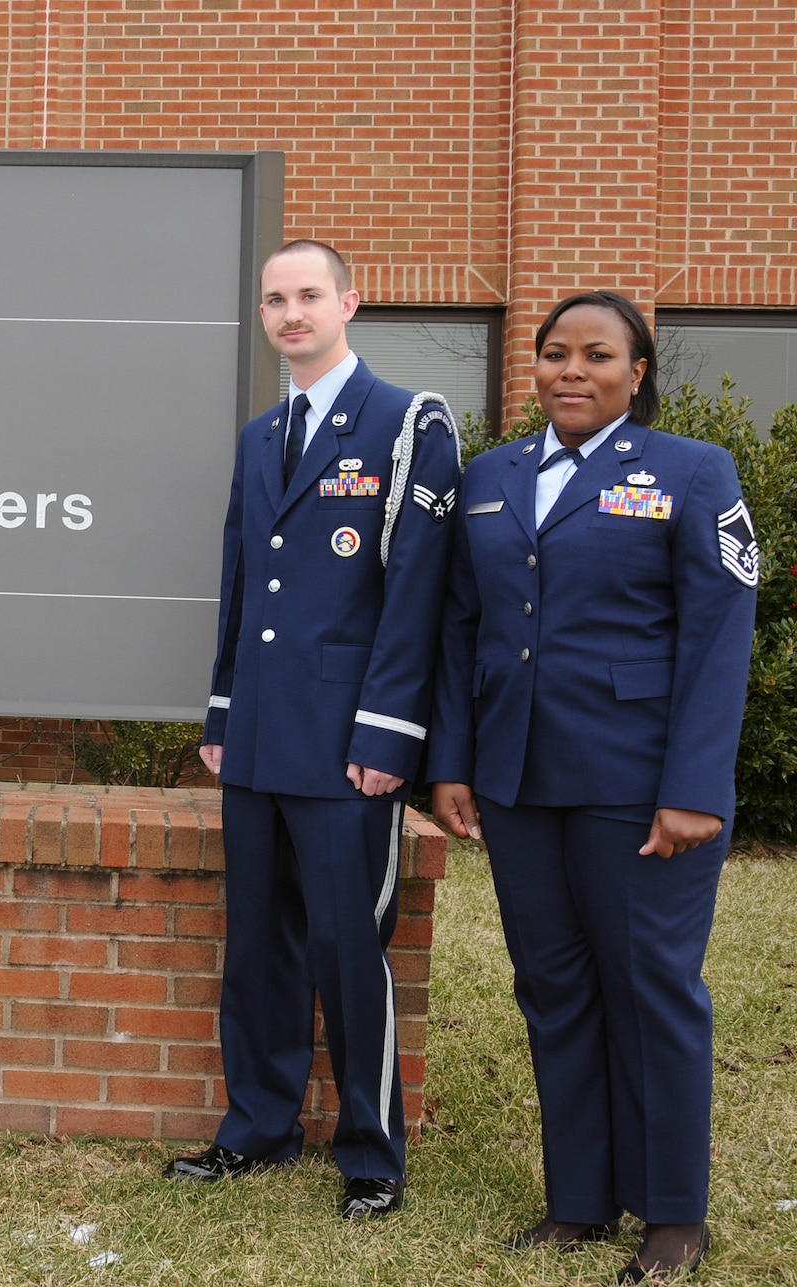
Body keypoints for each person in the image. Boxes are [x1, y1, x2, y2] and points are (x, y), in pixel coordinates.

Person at [428, 291, 755, 1283]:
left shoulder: (689, 473)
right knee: (554, 987)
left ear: (635, 371)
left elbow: (715, 638)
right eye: (553, 354)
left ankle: (669, 1217)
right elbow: (457, 629)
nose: (570, 371)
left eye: (595, 355)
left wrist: (693, 786)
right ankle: (576, 1200)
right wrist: (449, 760)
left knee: (650, 989)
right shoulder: (488, 478)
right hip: (518, 779)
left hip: (638, 783)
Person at [173, 240, 461, 1219]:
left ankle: (370, 1155)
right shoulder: (261, 435)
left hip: (347, 745)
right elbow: (239, 584)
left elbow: (414, 592)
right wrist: (221, 709)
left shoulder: (402, 423)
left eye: (306, 295)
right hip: (257, 736)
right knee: (255, 943)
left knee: (346, 946)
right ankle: (254, 1128)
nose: (289, 313)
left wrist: (387, 735)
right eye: (273, 300)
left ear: (347, 301)